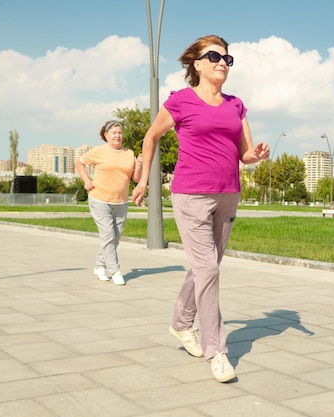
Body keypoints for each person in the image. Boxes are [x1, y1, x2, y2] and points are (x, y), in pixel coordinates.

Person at [131, 35, 269, 382]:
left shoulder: (236, 105)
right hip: (191, 194)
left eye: (228, 58)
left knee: (206, 266)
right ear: (197, 64)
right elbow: (151, 137)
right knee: (208, 270)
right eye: (214, 56)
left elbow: (245, 153)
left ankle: (181, 323)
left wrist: (257, 155)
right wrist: (144, 180)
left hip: (228, 194)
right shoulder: (180, 101)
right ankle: (217, 351)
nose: (223, 62)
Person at [75, 120, 142, 286]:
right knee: (108, 235)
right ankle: (116, 271)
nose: (117, 135)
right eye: (114, 133)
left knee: (114, 238)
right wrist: (86, 180)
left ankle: (99, 266)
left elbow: (136, 178)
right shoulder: (98, 151)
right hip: (99, 199)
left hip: (121, 202)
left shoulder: (129, 153)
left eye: (120, 132)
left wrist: (139, 164)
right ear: (106, 135)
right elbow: (79, 163)